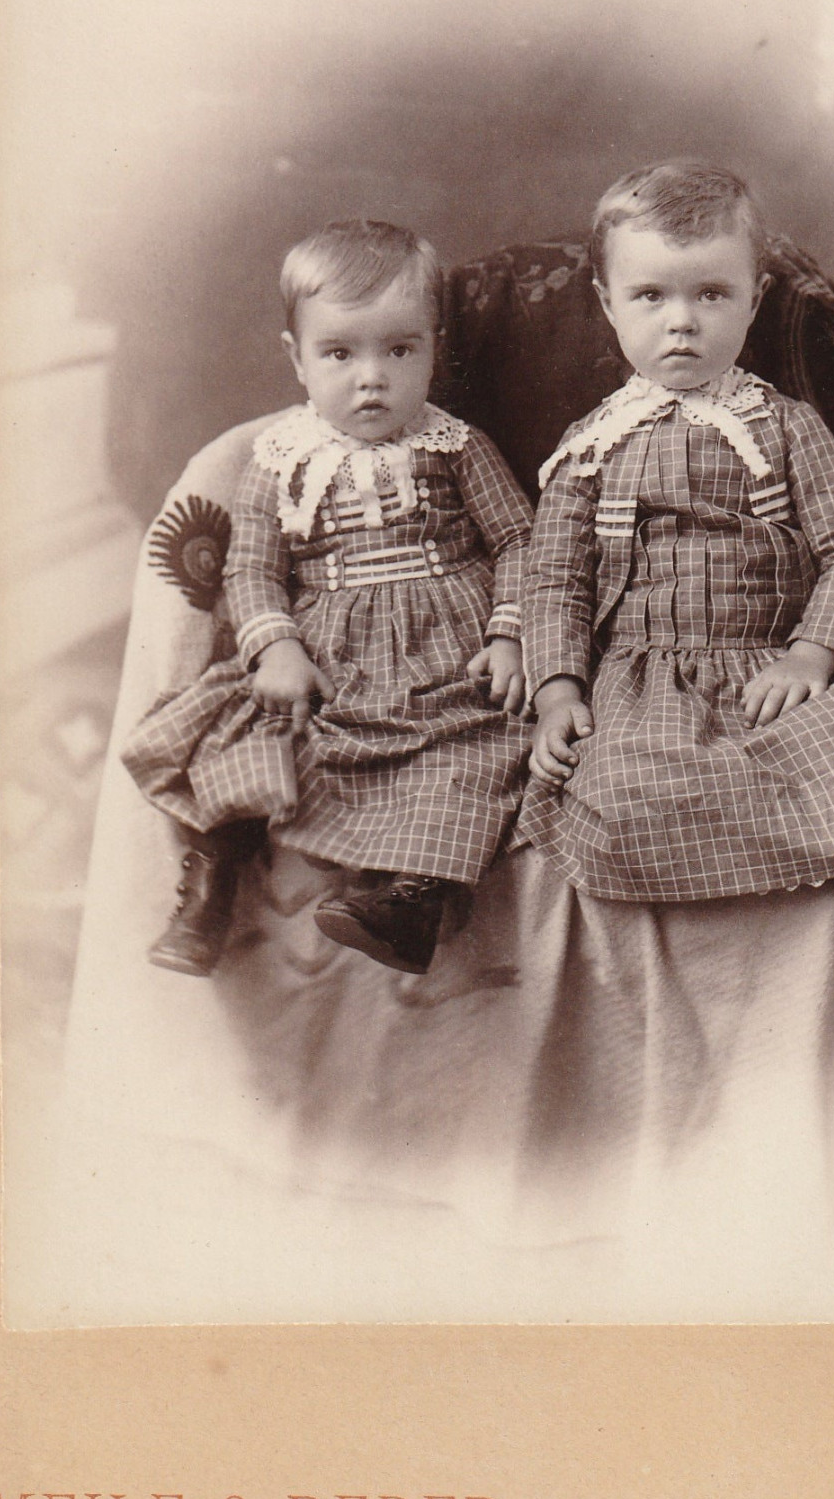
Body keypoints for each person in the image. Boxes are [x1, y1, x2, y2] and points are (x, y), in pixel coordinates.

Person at [520, 160, 834, 1080]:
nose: (681, 320)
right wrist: (558, 689)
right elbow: (553, 584)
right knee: (611, 790)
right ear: (607, 302)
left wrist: (814, 656)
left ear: (754, 300)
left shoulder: (785, 427)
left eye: (711, 293)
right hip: (647, 679)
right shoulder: (589, 451)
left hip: (771, 661)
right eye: (649, 295)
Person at [123, 218, 532, 977]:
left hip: (445, 652)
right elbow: (249, 569)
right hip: (326, 653)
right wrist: (276, 646)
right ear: (298, 360)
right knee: (240, 729)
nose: (371, 377)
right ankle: (210, 887)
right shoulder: (277, 461)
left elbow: (518, 539)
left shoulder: (456, 447)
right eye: (340, 353)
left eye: (399, 349)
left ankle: (409, 900)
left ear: (434, 349)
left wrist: (507, 636)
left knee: (478, 750)